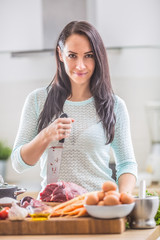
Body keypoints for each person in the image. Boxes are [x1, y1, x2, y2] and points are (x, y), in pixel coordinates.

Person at [11, 21, 137, 194]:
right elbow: (18, 164)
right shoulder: (37, 100)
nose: (80, 65)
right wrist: (46, 135)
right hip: (54, 208)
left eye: (88, 55)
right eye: (72, 55)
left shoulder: (114, 105)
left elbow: (127, 164)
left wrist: (120, 199)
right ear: (60, 54)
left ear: (98, 56)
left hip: (99, 206)